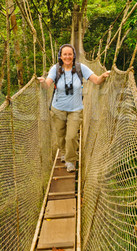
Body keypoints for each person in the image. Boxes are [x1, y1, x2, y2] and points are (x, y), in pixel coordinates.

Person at [38, 44, 110, 172]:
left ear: (74, 55)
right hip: (57, 108)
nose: (67, 57)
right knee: (60, 136)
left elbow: (96, 80)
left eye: (70, 54)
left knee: (71, 137)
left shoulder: (80, 68)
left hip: (76, 109)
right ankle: (64, 153)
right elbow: (47, 85)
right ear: (60, 56)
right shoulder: (55, 69)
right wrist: (42, 81)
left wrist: (103, 76)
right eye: (64, 54)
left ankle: (70, 161)